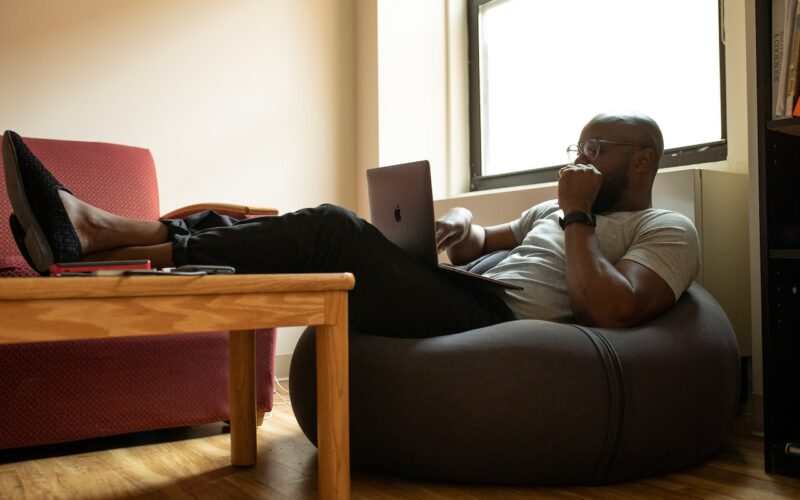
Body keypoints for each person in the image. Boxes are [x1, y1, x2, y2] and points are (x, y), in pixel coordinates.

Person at [2, 111, 699, 338]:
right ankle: (100, 236)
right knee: (275, 227)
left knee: (330, 229)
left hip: (491, 320)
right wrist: (457, 224)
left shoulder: (666, 230)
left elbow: (609, 308)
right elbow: (486, 243)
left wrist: (575, 213)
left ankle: (97, 233)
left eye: (594, 151)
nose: (578, 160)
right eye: (578, 148)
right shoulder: (551, 210)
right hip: (464, 288)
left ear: (640, 162)